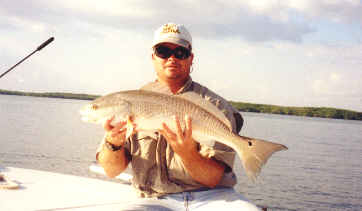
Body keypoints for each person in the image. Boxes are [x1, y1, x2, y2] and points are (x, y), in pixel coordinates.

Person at [96, 23, 259, 210]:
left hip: (212, 197)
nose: (171, 58)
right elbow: (111, 170)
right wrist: (113, 143)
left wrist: (187, 153)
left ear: (191, 59)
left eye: (180, 52)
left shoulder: (216, 106)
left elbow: (213, 179)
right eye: (163, 51)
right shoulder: (133, 102)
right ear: (153, 57)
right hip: (154, 199)